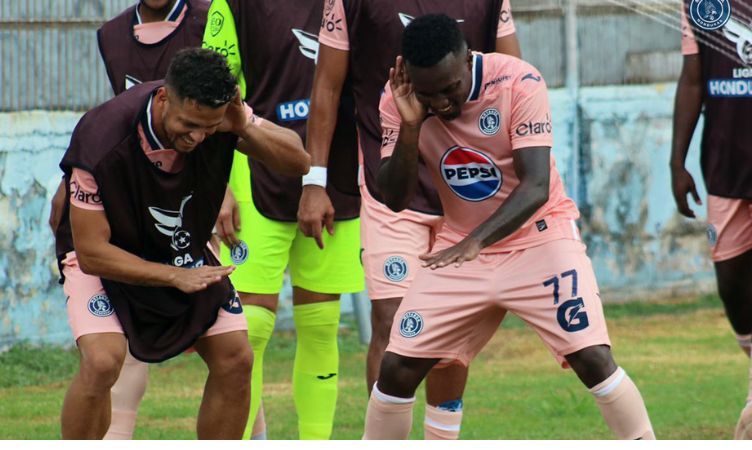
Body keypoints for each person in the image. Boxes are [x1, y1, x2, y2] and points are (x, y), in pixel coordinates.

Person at [363, 14, 655, 440]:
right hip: (461, 247)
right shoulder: (400, 98)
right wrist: (410, 126)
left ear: (468, 59)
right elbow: (394, 198)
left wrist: (476, 241)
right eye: (430, 94)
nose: (441, 103)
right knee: (397, 367)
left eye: (450, 89)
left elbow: (535, 185)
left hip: (539, 238)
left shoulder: (519, 81)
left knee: (591, 357)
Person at [55, 48, 310, 439]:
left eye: (208, 128)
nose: (197, 137)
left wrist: (245, 126)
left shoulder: (221, 119)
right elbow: (91, 252)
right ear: (163, 98)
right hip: (105, 256)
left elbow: (299, 162)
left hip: (181, 253)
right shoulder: (102, 136)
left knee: (236, 357)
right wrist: (172, 276)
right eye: (188, 124)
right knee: (103, 362)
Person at [300, 0, 521, 439]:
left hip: (468, 187)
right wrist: (314, 179)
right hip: (391, 183)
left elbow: (513, 76)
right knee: (393, 323)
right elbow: (326, 86)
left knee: (451, 329)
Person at [48, 1, 212, 439]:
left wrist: (228, 185)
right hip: (125, 207)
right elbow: (106, 120)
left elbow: (225, 113)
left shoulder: (213, 17)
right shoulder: (111, 35)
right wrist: (75, 175)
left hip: (190, 206)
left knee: (238, 346)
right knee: (108, 356)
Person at [201, 0, 363, 440]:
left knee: (322, 323)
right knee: (248, 330)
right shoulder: (232, 5)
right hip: (254, 177)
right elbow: (212, 88)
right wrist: (217, 186)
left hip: (339, 174)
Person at [672, 0, 752, 439]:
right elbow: (692, 79)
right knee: (732, 286)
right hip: (725, 168)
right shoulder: (699, 4)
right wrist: (676, 161)